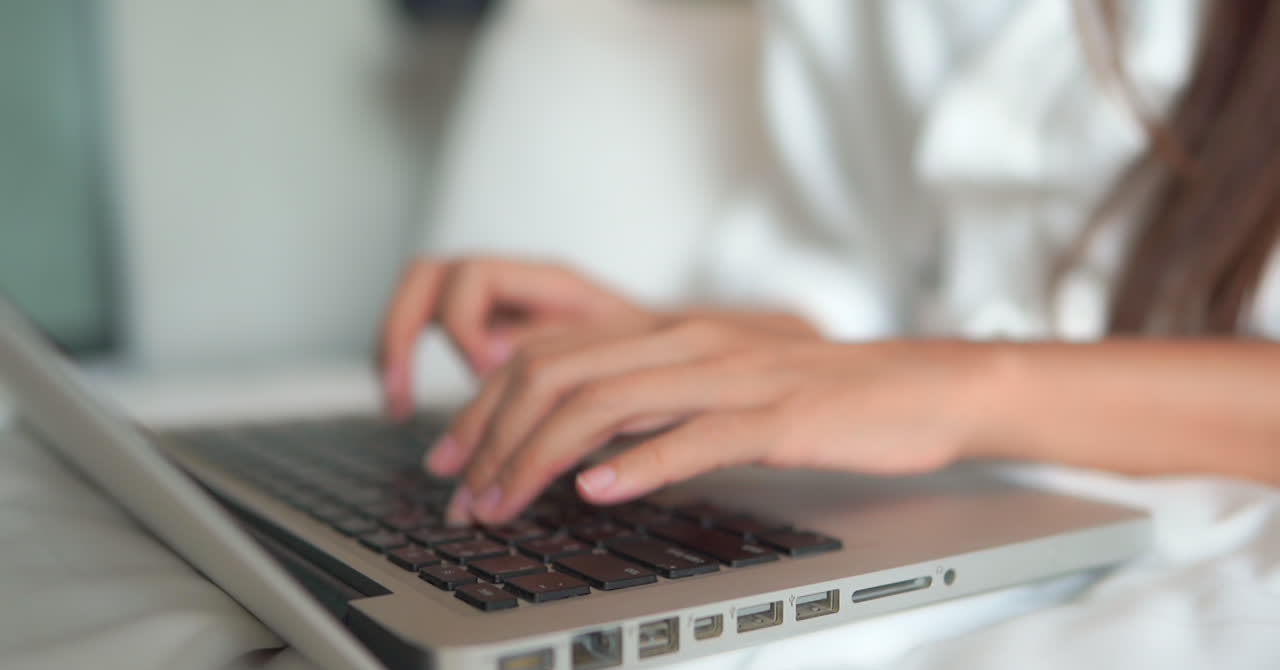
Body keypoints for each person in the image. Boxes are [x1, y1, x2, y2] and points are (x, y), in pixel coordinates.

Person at [378, 0, 1280, 528]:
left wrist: (963, 390)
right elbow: (867, 273)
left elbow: (929, 364)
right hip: (961, 493)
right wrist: (692, 347)